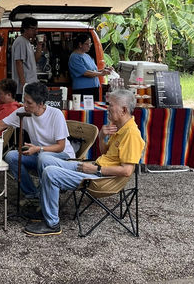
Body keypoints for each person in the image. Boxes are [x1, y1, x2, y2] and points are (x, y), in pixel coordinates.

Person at [23, 87, 144, 237]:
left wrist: (96, 170)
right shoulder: (120, 128)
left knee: (50, 173)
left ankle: (52, 223)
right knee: (45, 158)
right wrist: (101, 137)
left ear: (123, 110)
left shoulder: (131, 134)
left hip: (102, 179)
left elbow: (126, 171)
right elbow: (106, 154)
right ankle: (45, 205)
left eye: (111, 105)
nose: (107, 109)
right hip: (95, 168)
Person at [0, 81, 71, 204]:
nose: (24, 105)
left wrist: (39, 149)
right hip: (38, 153)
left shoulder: (55, 114)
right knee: (11, 156)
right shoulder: (23, 112)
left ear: (41, 104)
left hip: (61, 155)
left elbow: (61, 146)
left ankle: (45, 197)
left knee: (43, 157)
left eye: (29, 103)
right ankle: (32, 194)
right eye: (24, 100)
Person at [68, 33, 110, 98]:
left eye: (90, 44)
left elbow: (94, 71)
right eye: (87, 44)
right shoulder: (75, 57)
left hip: (94, 88)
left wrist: (104, 70)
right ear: (80, 44)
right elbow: (86, 73)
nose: (89, 46)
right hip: (83, 90)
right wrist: (101, 73)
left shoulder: (87, 55)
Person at [11, 17, 38, 99]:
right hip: (23, 88)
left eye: (36, 29)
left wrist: (40, 45)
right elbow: (18, 62)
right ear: (25, 29)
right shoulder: (20, 41)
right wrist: (24, 85)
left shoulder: (27, 42)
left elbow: (35, 60)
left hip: (30, 86)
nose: (36, 31)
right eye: (33, 29)